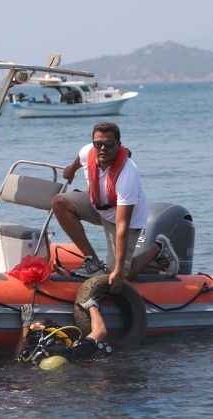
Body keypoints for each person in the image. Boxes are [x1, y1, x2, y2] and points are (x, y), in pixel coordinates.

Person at [51, 122, 179, 343]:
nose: (101, 149)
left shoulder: (127, 174)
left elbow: (121, 226)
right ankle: (92, 260)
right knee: (60, 202)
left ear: (118, 145)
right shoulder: (87, 152)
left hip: (124, 221)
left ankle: (158, 249)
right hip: (98, 206)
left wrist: (118, 270)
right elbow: (74, 163)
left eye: (108, 145)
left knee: (120, 274)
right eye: (97, 144)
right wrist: (70, 171)